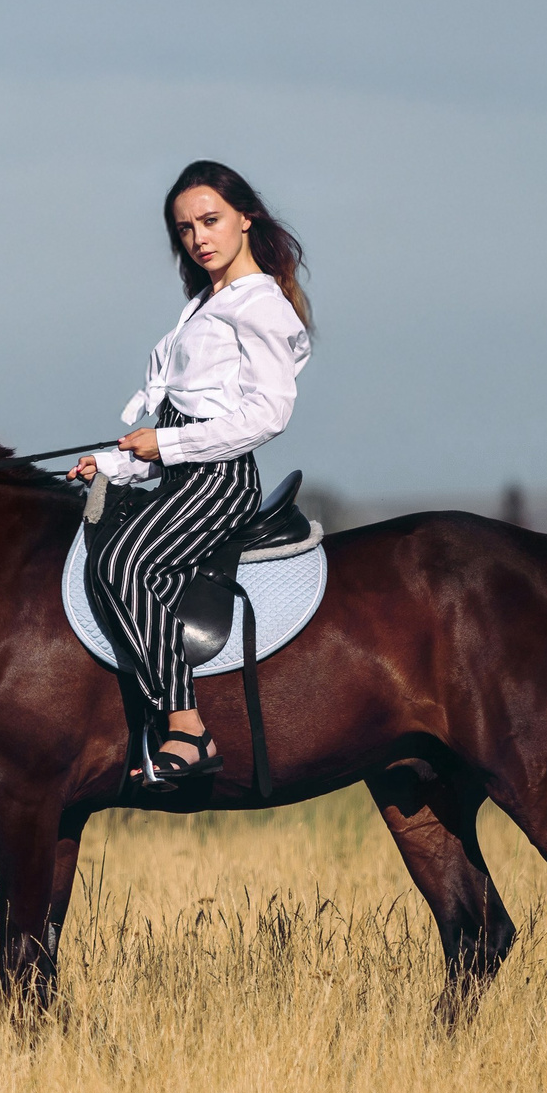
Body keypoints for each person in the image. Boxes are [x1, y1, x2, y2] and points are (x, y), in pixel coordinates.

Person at [71, 161, 313, 790]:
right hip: (182, 475)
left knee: (125, 563)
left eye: (210, 221)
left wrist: (165, 445)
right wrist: (117, 462)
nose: (199, 238)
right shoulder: (206, 303)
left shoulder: (259, 304)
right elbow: (178, 415)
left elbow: (268, 413)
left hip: (219, 481)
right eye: (186, 229)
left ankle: (188, 727)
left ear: (244, 217)